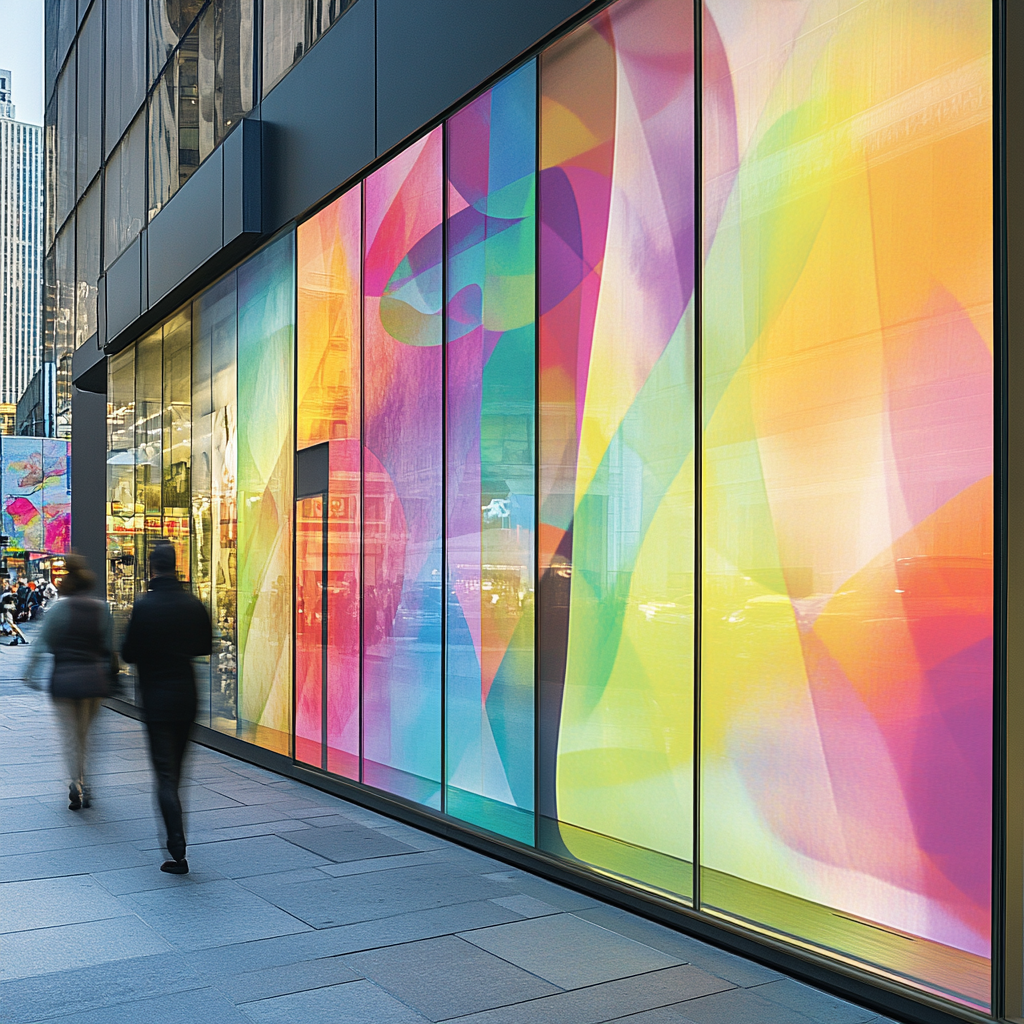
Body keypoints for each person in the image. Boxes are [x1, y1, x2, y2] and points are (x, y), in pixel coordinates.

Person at [122, 542, 212, 874]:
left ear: (152, 568)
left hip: (157, 700)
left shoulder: (144, 607)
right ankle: (177, 843)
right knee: (178, 771)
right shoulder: (193, 604)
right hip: (187, 696)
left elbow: (128, 653)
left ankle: (177, 850)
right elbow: (204, 646)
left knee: (165, 775)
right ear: (176, 566)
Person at [24, 555, 113, 810]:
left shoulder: (58, 610)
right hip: (93, 681)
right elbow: (109, 649)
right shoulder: (101, 609)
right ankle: (87, 782)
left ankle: (75, 781)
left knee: (70, 736)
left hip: (63, 681)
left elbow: (41, 644)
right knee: (85, 735)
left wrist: (30, 673)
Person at [2, 581, 29, 645]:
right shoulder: (9, 594)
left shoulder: (7, 594)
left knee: (9, 625)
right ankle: (19, 637)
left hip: (6, 611)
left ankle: (17, 637)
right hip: (7, 610)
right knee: (9, 625)